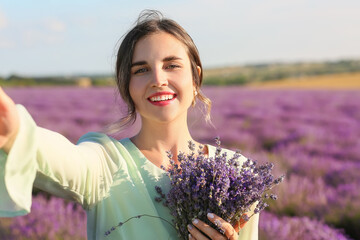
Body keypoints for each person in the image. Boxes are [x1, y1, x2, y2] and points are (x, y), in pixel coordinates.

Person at [0, 10, 259, 240]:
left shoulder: (234, 175)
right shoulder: (107, 164)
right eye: (141, 70)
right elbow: (66, 160)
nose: (158, 79)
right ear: (127, 88)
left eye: (171, 65)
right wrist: (14, 132)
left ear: (195, 78)